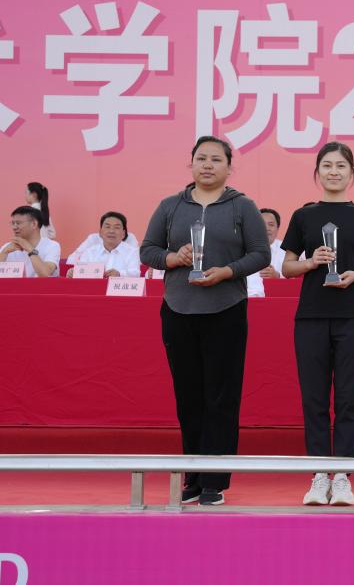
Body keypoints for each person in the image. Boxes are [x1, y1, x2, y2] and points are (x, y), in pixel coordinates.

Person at [140, 136, 270, 507]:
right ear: (192, 164)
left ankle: (215, 479)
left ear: (229, 167)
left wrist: (228, 271)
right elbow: (148, 250)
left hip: (226, 309)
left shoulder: (242, 206)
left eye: (216, 159)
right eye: (201, 159)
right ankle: (192, 476)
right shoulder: (170, 206)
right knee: (189, 398)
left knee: (221, 397)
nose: (208, 165)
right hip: (178, 309)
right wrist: (173, 259)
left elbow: (260, 254)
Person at [280, 142, 354, 507]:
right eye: (327, 165)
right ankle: (318, 474)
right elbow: (287, 267)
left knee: (348, 398)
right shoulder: (303, 216)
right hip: (311, 316)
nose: (334, 171)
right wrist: (312, 263)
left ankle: (341, 474)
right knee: (313, 398)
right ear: (317, 172)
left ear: (352, 173)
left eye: (341, 166)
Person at [0, 206, 61, 277]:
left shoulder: (52, 246)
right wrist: (4, 252)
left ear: (34, 224)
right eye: (13, 223)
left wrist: (30, 249)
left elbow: (45, 274)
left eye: (18, 223)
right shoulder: (8, 247)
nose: (14, 227)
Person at [66, 212, 140, 278]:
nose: (111, 231)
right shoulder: (90, 252)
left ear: (123, 233)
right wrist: (73, 272)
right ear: (100, 232)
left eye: (116, 227)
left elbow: (136, 273)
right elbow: (81, 271)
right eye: (107, 227)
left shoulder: (132, 252)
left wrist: (119, 274)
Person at [245, 208, 287, 298]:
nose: (267, 228)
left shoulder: (286, 249)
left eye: (271, 225)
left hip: (278, 299)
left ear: (277, 228)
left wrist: (277, 276)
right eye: (262, 224)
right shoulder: (242, 249)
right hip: (247, 299)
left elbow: (295, 277)